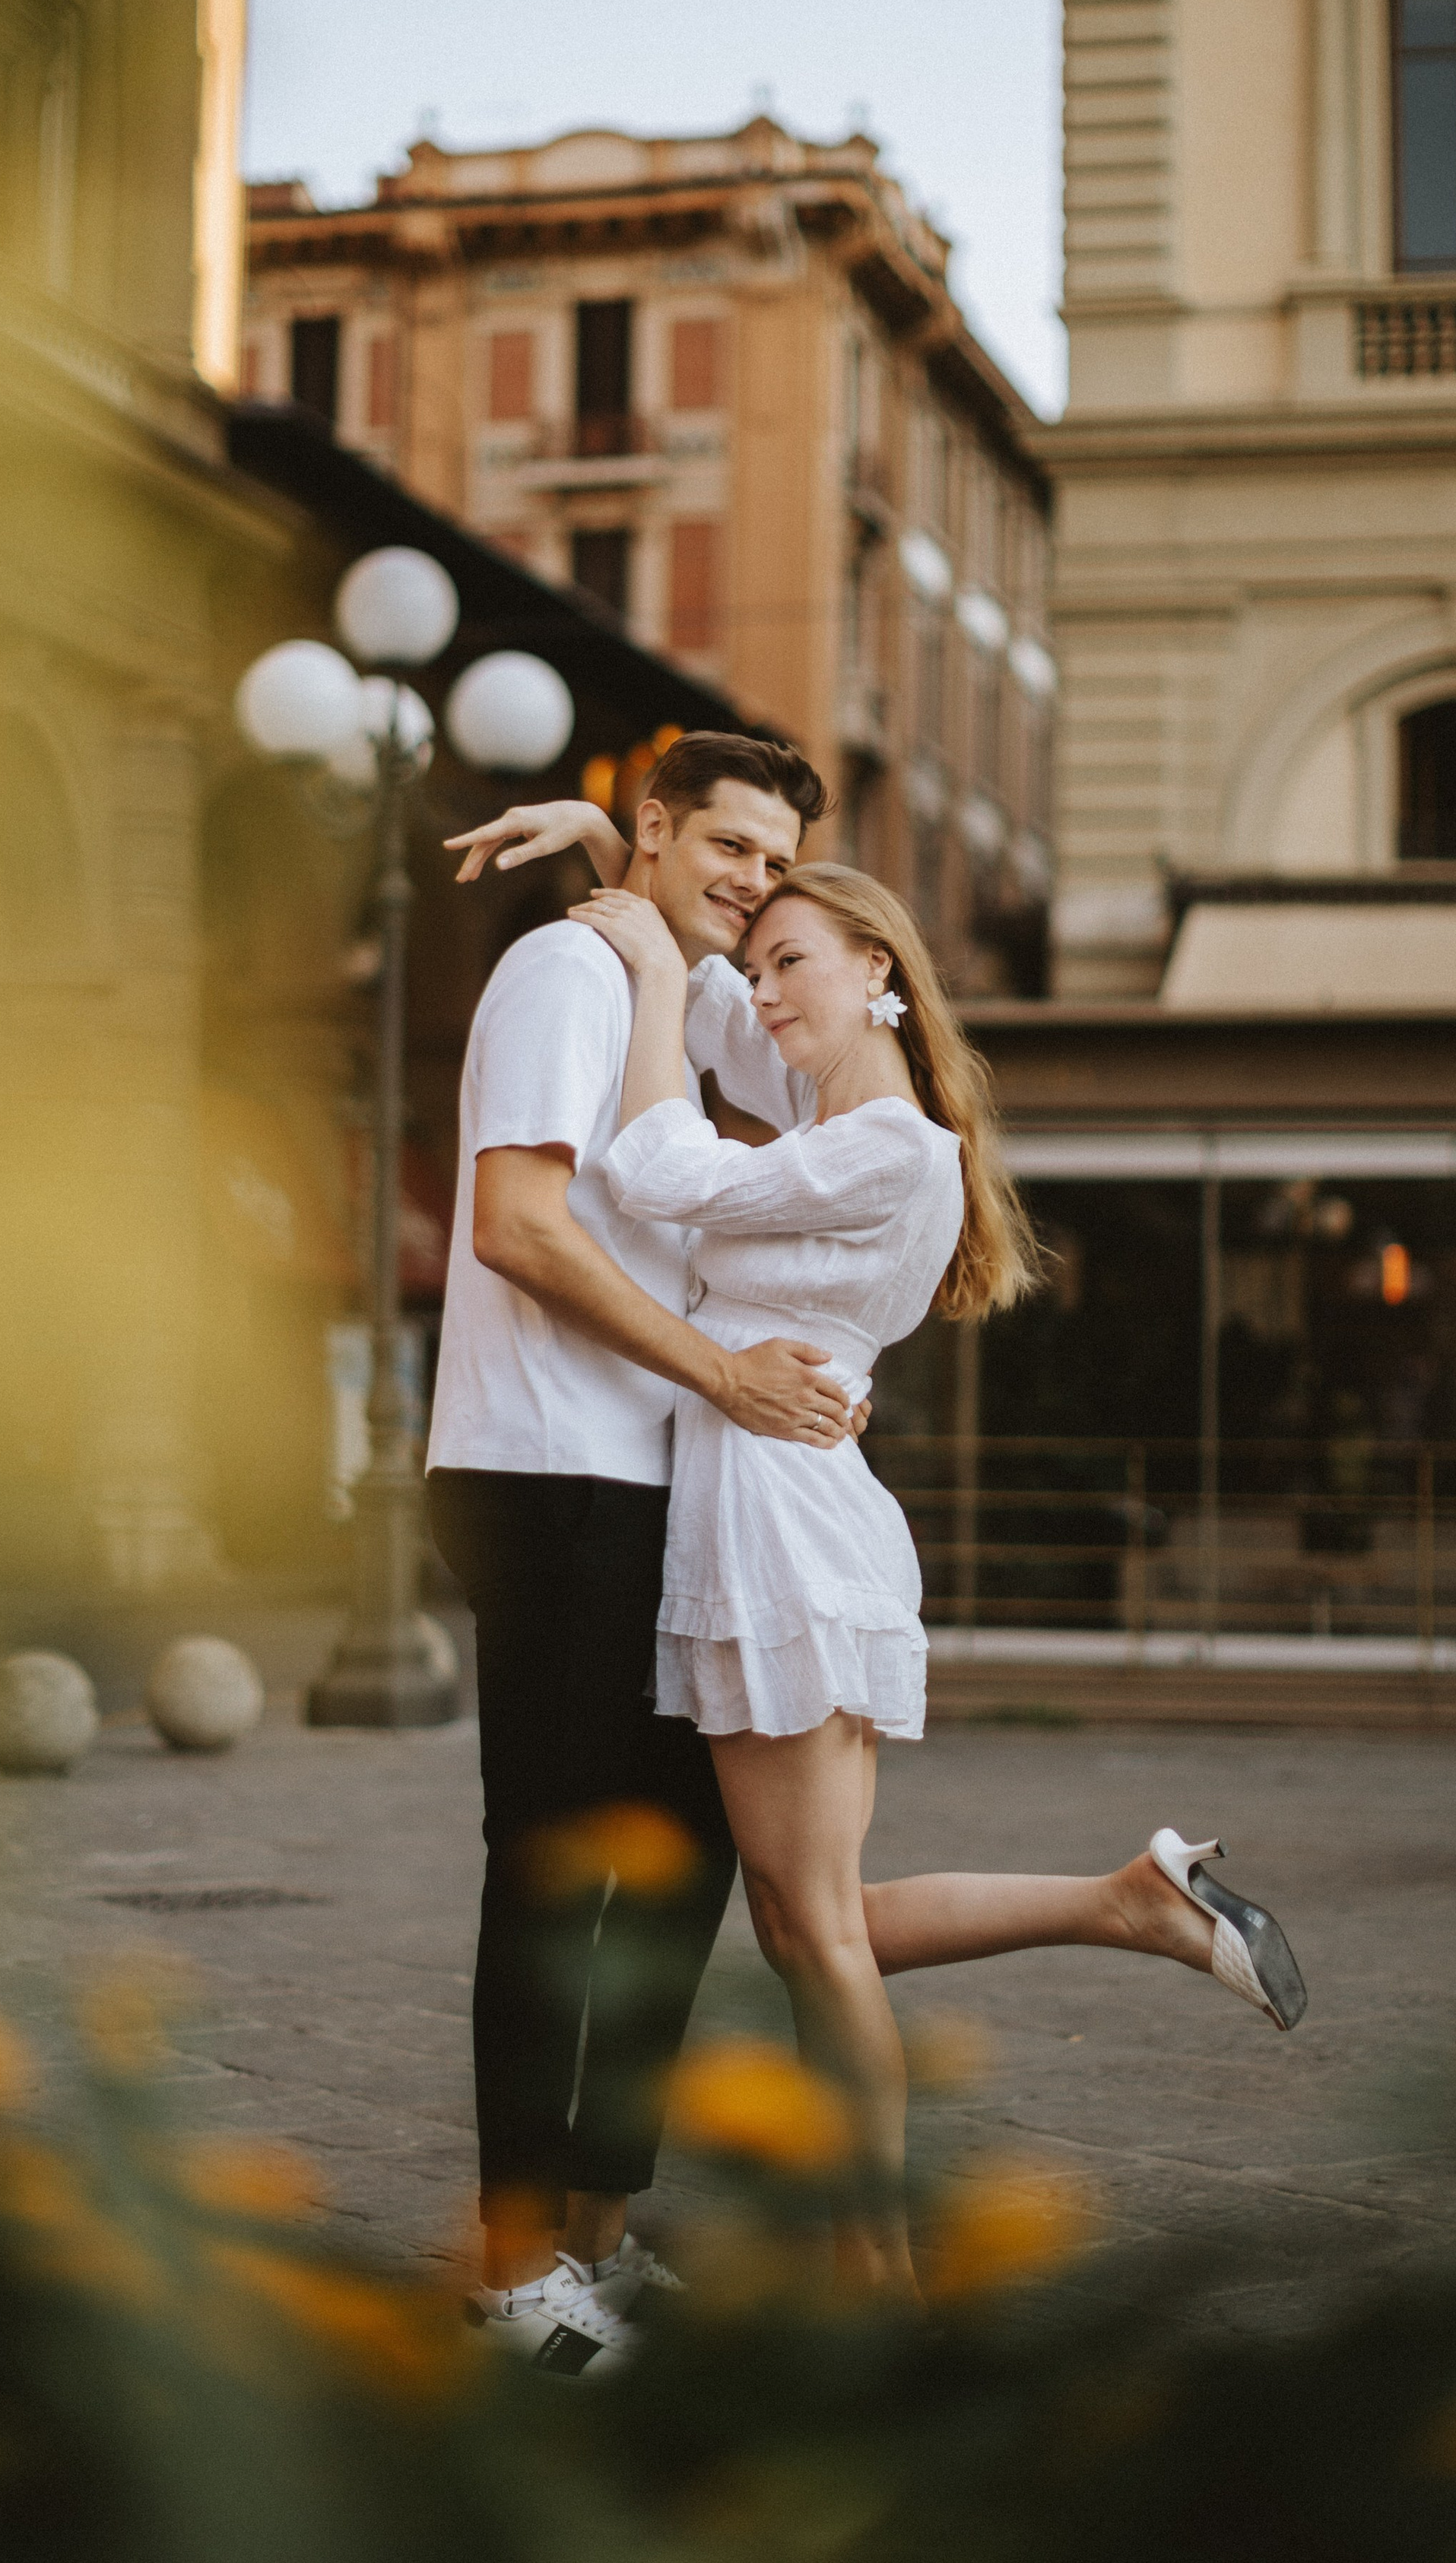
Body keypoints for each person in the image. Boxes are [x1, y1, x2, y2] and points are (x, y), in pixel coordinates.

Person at [556, 853, 1308, 2299]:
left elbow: (652, 1164)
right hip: (787, 1506)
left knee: (815, 1931)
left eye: (795, 962)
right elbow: (720, 1026)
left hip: (777, 1520)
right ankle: (1131, 1901)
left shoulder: (884, 1141)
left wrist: (652, 966)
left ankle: (877, 2271)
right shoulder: (831, 1121)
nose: (764, 989)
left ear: (883, 970)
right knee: (811, 1917)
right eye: (757, 961)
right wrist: (633, 871)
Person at [426, 731, 856, 2373]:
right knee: (555, 1876)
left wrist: (622, 845)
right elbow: (517, 1227)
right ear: (669, 834)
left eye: (773, 860)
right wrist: (725, 1375)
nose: (752, 881)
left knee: (670, 1864)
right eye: (726, 846)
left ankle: (598, 2234)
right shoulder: (569, 968)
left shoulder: (684, 982)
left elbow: (819, 1063)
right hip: (544, 1478)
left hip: (661, 1485)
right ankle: (507, 2267)